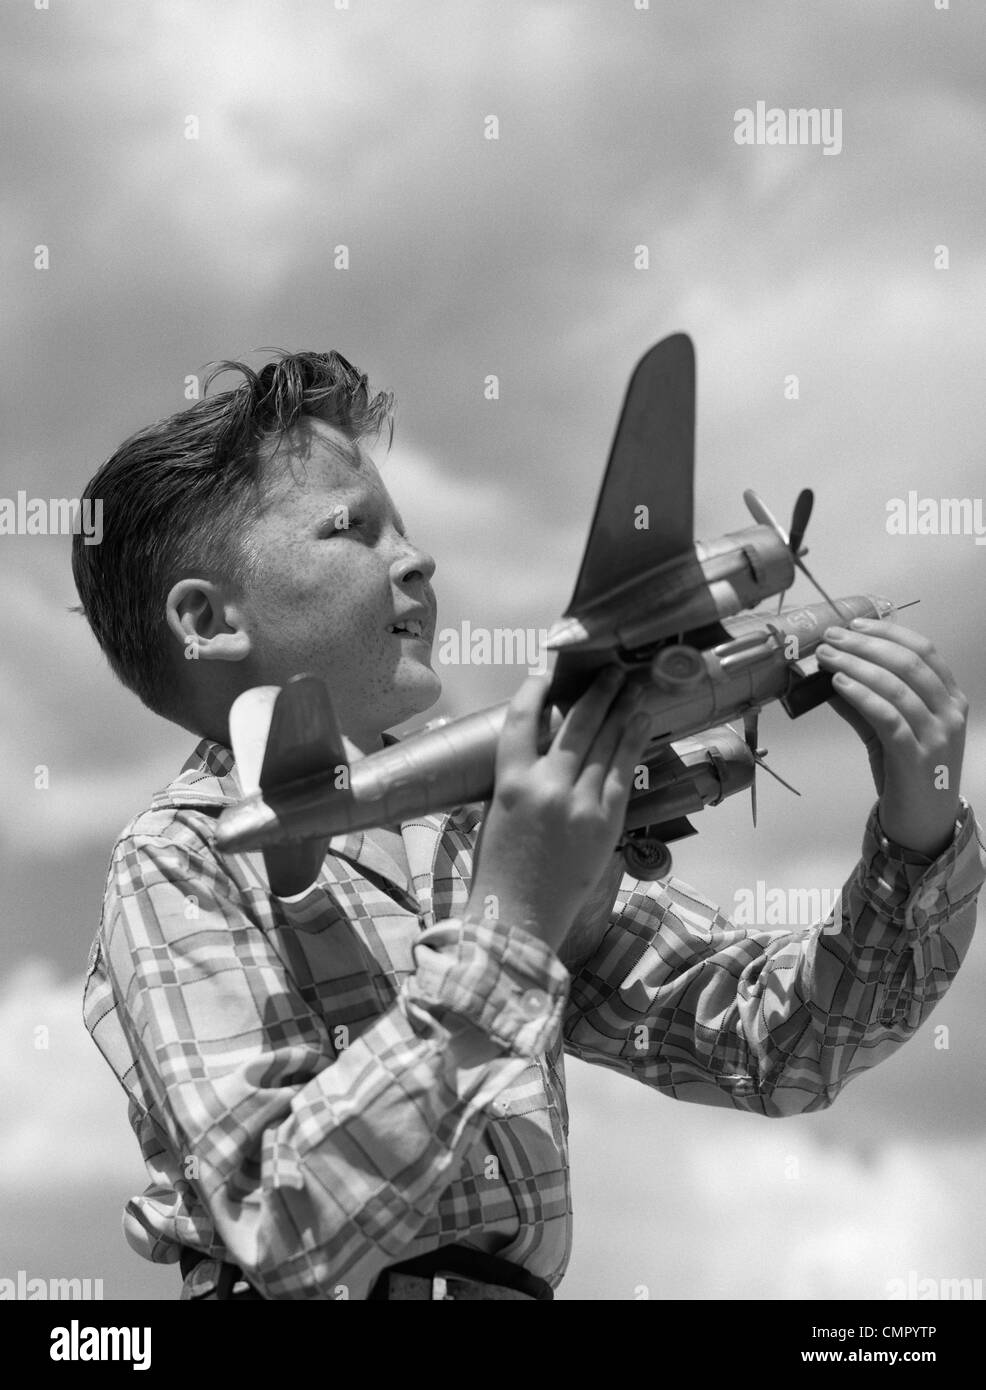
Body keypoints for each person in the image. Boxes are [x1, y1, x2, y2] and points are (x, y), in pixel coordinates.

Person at [72, 351, 985, 1301]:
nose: (417, 558)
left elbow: (779, 1048)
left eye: (410, 529)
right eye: (353, 529)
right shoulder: (182, 858)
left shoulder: (484, 828)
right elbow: (282, 1224)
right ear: (206, 619)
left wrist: (914, 843)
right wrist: (510, 925)